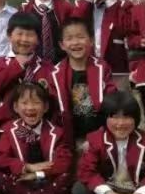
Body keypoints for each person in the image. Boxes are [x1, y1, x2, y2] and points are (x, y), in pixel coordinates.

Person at [0, 81, 74, 194]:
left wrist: (37, 174)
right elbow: (0, 158)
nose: (30, 108)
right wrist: (28, 167)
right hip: (22, 180)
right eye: (24, 103)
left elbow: (64, 162)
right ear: (16, 107)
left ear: (45, 107)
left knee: (66, 175)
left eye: (36, 103)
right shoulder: (9, 130)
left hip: (47, 179)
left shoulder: (57, 132)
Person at [47, 18, 116, 150]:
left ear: (91, 40)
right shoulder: (55, 74)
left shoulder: (102, 68)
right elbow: (54, 111)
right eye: (69, 38)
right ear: (62, 45)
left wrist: (100, 136)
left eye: (80, 37)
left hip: (100, 134)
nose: (75, 42)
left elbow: (111, 101)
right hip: (68, 137)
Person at [0, 13, 52, 136]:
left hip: (38, 128)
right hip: (4, 127)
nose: (24, 39)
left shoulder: (47, 68)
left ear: (38, 39)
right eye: (19, 34)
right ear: (9, 36)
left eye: (30, 35)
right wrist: (17, 65)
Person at [73, 0, 132, 85]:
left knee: (118, 96)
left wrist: (111, 2)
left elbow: (124, 28)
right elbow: (74, 25)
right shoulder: (81, 4)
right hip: (88, 63)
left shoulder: (124, 5)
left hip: (116, 66)